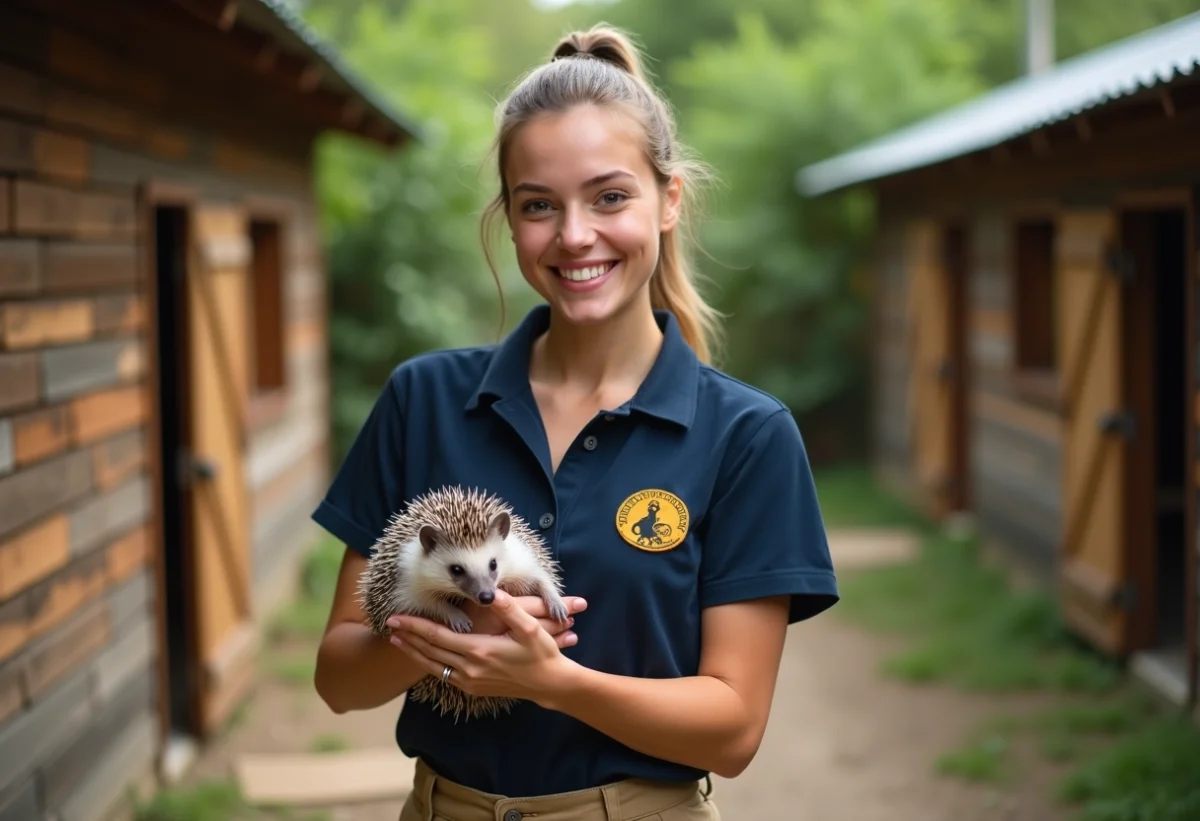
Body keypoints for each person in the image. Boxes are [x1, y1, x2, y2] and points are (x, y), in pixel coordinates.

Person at [311, 23, 839, 821]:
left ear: (669, 200)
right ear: (510, 220)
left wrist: (549, 679)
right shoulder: (421, 400)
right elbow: (338, 676)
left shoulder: (747, 435)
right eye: (538, 206)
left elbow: (733, 730)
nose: (575, 235)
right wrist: (445, 632)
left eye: (610, 196)